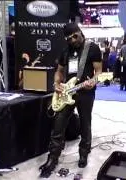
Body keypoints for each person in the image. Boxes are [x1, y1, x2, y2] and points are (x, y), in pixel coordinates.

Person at [39, 23, 102, 178]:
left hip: (85, 93)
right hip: (67, 93)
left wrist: (93, 81)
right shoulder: (65, 51)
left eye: (76, 36)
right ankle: (52, 158)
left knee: (85, 123)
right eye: (69, 38)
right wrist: (56, 84)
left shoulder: (92, 48)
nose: (73, 40)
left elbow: (99, 72)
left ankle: (83, 153)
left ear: (80, 32)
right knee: (58, 125)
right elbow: (59, 71)